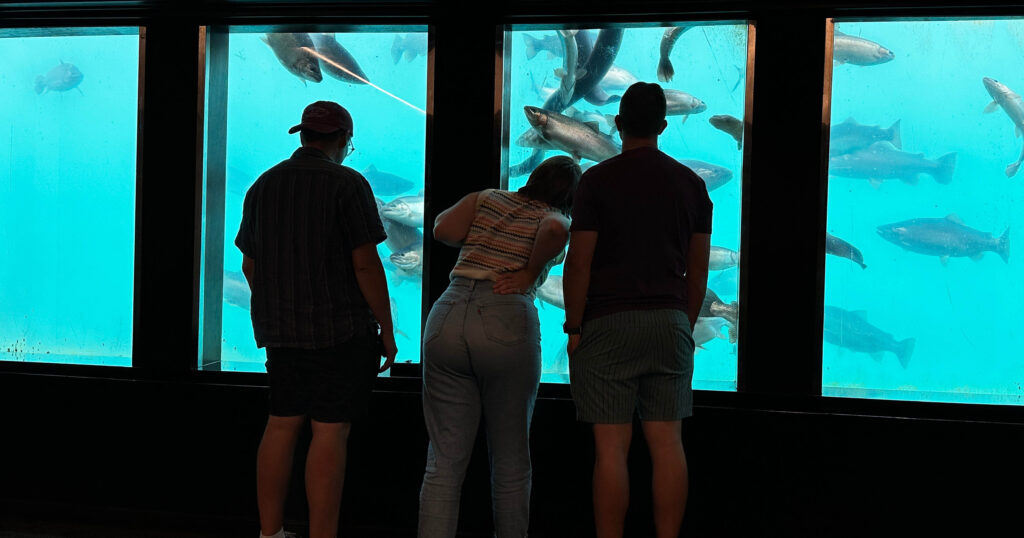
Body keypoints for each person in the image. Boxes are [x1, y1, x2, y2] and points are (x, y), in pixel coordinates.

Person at [235, 101, 398, 538]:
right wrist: (387, 328)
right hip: (340, 332)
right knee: (329, 432)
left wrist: (281, 305)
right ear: (345, 140)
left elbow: (250, 265)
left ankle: (270, 534)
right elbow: (365, 264)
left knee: (282, 423)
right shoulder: (348, 184)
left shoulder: (263, 186)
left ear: (303, 136)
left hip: (281, 333)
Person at [562, 82, 713, 538]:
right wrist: (682, 324)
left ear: (618, 124)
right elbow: (698, 270)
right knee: (668, 445)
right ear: (664, 127)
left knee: (611, 450)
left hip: (607, 323)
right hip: (669, 321)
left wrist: (573, 325)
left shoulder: (597, 181)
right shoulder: (692, 185)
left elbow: (580, 261)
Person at [418, 156, 581, 537]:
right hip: (505, 316)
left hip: (448, 311)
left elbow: (442, 229)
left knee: (442, 462)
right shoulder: (557, 216)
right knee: (510, 461)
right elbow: (556, 229)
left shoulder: (488, 198)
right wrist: (527, 271)